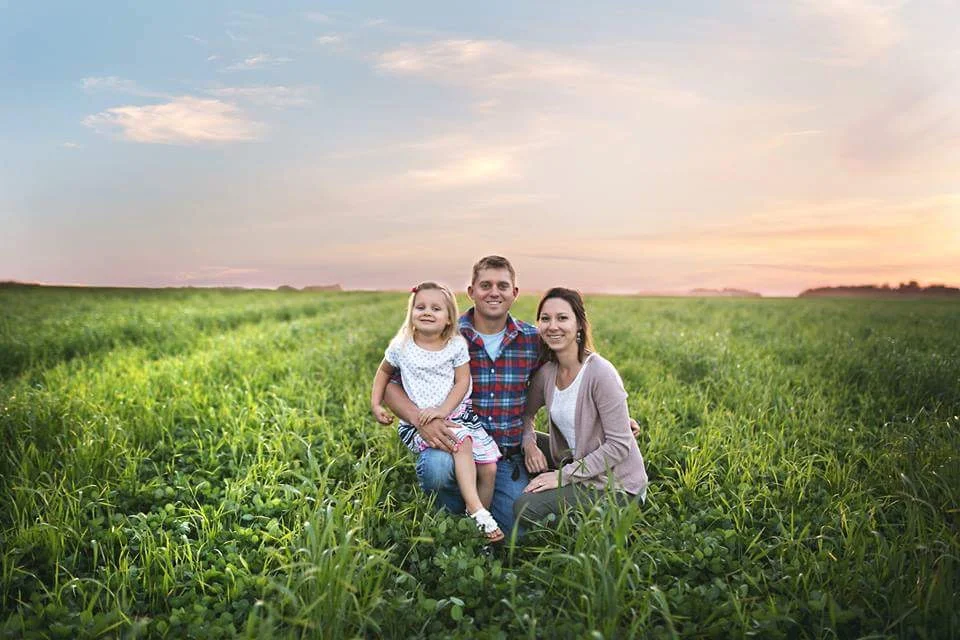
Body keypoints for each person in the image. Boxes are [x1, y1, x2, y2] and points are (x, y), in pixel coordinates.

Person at [383, 256, 541, 538]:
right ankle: (449, 522)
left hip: (503, 455)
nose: (494, 292)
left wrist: (611, 411)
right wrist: (421, 420)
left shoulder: (530, 339)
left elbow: (573, 365)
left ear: (514, 293)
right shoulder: (446, 334)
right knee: (438, 467)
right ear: (471, 292)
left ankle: (473, 520)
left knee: (516, 535)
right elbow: (390, 385)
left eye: (503, 285)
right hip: (449, 440)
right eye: (485, 285)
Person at [370, 281, 504, 541]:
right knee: (460, 444)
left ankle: (476, 519)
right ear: (411, 313)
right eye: (420, 307)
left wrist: (443, 410)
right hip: (421, 420)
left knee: (489, 468)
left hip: (456, 414)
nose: (427, 312)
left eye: (436, 308)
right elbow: (384, 372)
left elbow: (463, 381)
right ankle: (476, 511)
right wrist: (375, 403)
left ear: (448, 319)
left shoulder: (455, 345)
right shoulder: (401, 346)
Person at [514, 287, 648, 525]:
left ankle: (594, 527)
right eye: (546, 319)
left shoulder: (600, 373)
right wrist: (529, 442)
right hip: (576, 460)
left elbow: (619, 445)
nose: (552, 326)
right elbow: (526, 412)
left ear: (579, 325)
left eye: (562, 318)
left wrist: (562, 476)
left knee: (525, 508)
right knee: (514, 445)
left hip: (615, 486)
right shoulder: (547, 373)